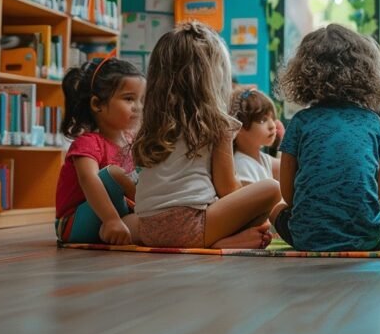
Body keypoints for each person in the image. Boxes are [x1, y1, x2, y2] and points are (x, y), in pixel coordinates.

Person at [133, 22, 280, 249]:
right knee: (271, 189)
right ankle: (220, 242)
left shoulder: (153, 121)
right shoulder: (218, 124)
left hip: (147, 228)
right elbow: (227, 188)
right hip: (191, 226)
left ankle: (214, 238)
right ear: (213, 78)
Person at [270, 24, 380, 251]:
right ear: (366, 72)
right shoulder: (372, 122)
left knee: (275, 210)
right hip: (366, 238)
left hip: (305, 239)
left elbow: (288, 196)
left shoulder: (300, 122)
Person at [54, 57, 145, 245]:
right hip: (74, 224)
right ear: (97, 104)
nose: (138, 107)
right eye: (129, 99)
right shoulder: (88, 142)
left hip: (116, 213)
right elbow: (89, 179)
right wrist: (112, 219)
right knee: (113, 173)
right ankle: (113, 224)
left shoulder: (131, 141)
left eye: (142, 99)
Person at [229, 87, 281, 184]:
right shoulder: (242, 164)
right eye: (263, 120)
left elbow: (288, 166)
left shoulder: (262, 158)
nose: (272, 126)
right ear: (239, 127)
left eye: (272, 118)